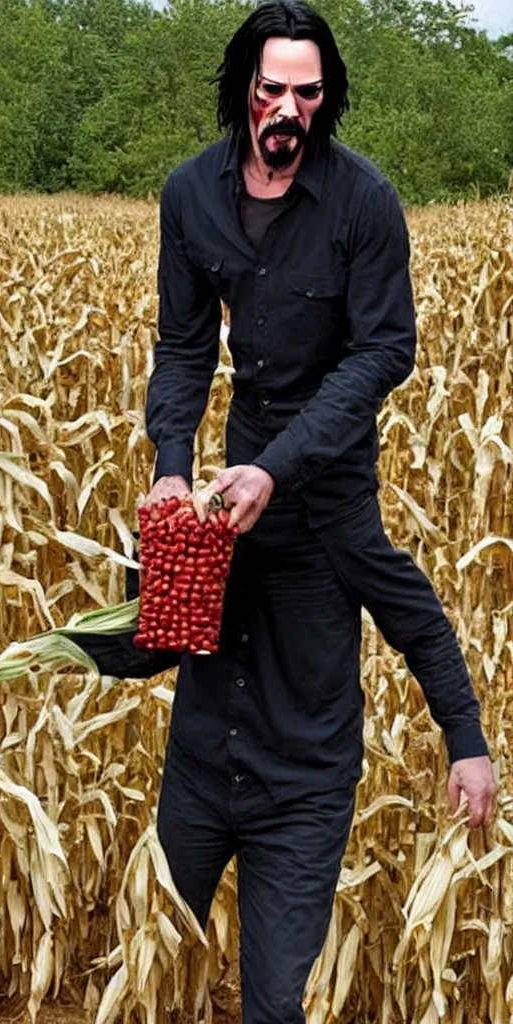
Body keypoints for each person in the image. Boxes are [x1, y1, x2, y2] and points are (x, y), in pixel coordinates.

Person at [78, 2, 496, 1020]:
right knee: (144, 973)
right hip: (201, 771)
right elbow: (181, 348)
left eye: (308, 95)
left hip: (301, 784)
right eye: (271, 91)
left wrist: (469, 744)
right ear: (242, 89)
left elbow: (382, 353)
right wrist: (176, 475)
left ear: (326, 99)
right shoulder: (192, 195)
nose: (288, 111)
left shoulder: (362, 205)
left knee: (273, 1005)